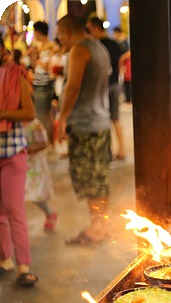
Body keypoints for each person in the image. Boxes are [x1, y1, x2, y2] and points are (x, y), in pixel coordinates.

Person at [56, 14, 112, 245]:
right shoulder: (99, 47)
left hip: (86, 126)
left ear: (67, 32)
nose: (60, 41)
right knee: (99, 178)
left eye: (60, 36)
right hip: (100, 123)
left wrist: (62, 118)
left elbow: (73, 86)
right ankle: (99, 225)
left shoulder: (80, 49)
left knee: (91, 181)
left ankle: (97, 228)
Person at [0, 39, 39, 285]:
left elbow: (29, 112)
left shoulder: (16, 75)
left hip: (12, 154)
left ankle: (24, 267)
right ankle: (5, 260)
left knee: (14, 210)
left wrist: (4, 113)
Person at [86, 16, 127, 161]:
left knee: (102, 120)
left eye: (90, 29)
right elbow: (122, 59)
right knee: (115, 118)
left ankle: (106, 150)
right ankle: (121, 149)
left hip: (102, 87)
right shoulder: (114, 43)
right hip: (115, 84)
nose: (89, 33)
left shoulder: (96, 46)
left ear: (96, 28)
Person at [24, 118, 57, 231]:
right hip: (20, 164)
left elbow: (43, 144)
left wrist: (26, 150)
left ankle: (50, 213)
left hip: (34, 167)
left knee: (36, 194)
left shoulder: (35, 125)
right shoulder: (14, 123)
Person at [30, 21, 58, 147]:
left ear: (38, 32)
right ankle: (49, 143)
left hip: (44, 85)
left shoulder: (50, 47)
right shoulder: (41, 47)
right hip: (38, 84)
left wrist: (37, 59)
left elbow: (47, 67)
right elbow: (35, 66)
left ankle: (49, 144)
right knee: (45, 116)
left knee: (43, 116)